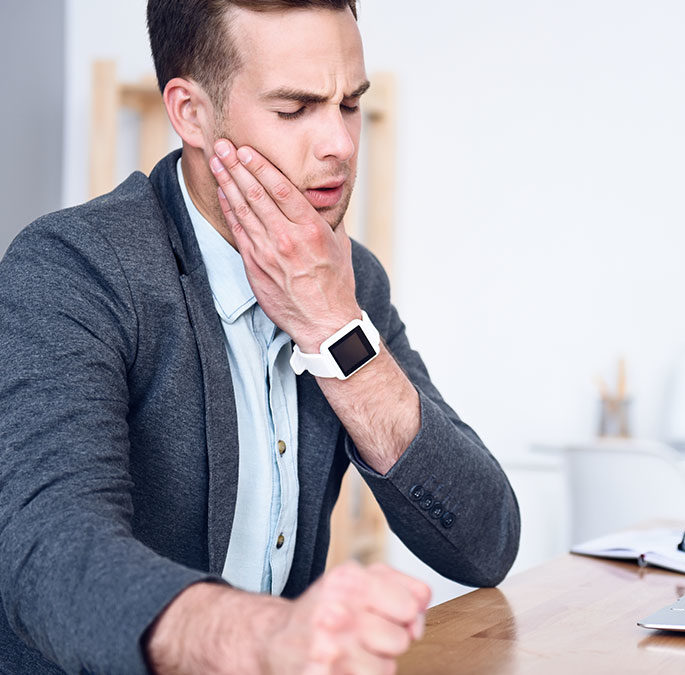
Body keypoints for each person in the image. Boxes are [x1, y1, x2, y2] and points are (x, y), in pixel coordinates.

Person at [0, 1, 520, 672]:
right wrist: (266, 637)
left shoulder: (347, 277)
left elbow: (486, 542)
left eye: (350, 104)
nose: (338, 143)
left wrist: (335, 330)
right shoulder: (72, 266)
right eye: (295, 109)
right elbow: (51, 553)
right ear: (190, 112)